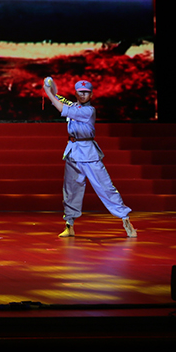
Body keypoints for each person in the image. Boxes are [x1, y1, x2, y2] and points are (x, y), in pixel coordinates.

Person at [42, 78, 137, 238]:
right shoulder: (74, 105)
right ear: (76, 93)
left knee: (105, 187)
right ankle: (69, 225)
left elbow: (61, 107)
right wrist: (51, 90)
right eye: (80, 92)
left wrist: (47, 92)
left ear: (91, 94)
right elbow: (60, 100)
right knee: (71, 191)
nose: (83, 95)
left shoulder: (89, 111)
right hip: (73, 152)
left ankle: (125, 220)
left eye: (86, 92)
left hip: (88, 153)